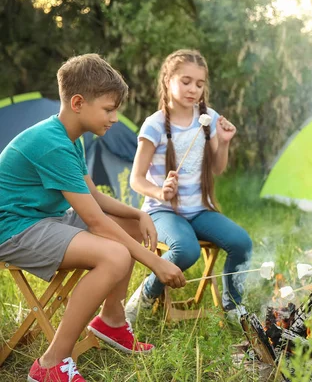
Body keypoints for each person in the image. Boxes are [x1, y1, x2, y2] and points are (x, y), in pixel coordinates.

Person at [0, 54, 185, 382]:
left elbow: (95, 199)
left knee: (125, 227)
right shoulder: (51, 143)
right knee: (114, 254)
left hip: (46, 220)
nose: (115, 118)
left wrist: (138, 212)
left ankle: (111, 322)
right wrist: (156, 263)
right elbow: (97, 222)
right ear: (78, 102)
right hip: (15, 230)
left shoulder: (71, 139)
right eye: (109, 109)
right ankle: (50, 365)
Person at [126, 49, 252, 321]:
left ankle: (233, 305)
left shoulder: (209, 119)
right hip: (163, 211)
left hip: (199, 210)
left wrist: (226, 142)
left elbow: (217, 168)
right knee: (187, 250)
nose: (193, 89)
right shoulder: (154, 125)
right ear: (167, 80)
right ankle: (147, 293)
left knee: (242, 243)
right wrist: (160, 191)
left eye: (199, 83)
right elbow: (135, 179)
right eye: (185, 81)